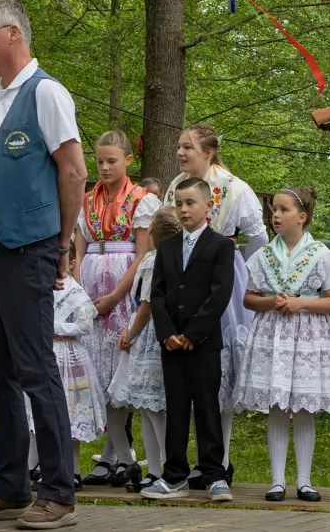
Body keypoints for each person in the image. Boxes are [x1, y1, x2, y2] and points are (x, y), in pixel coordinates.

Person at [0, 0, 87, 529]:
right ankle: (10, 486)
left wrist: (60, 242)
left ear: (12, 34)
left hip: (27, 247)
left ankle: (59, 493)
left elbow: (72, 172)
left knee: (35, 368)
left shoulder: (45, 92)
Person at [163, 124, 268, 486]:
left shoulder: (235, 188)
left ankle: (218, 461)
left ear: (208, 152)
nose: (180, 152)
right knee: (186, 372)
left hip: (221, 276)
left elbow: (259, 238)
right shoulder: (176, 185)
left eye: (187, 147)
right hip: (182, 276)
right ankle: (187, 461)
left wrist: (243, 272)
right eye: (178, 146)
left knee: (216, 369)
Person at [234, 187, 330, 503]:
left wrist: (300, 303)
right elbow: (249, 299)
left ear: (302, 217)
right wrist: (272, 301)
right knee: (276, 405)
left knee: (303, 407)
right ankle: (276, 480)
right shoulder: (262, 255)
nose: (276, 215)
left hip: (308, 335)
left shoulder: (322, 255)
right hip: (272, 334)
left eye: (283, 210)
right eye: (274, 210)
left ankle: (304, 481)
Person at [141, 178, 236, 503]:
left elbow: (219, 294)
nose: (183, 209)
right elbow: (157, 293)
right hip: (172, 343)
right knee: (176, 408)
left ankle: (214, 475)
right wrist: (167, 334)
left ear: (208, 206)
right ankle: (174, 475)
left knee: (207, 407)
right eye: (179, 203)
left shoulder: (221, 246)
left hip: (203, 342)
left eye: (190, 203)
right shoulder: (167, 247)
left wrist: (194, 333)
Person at [75, 130, 159, 488]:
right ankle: (115, 458)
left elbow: (142, 254)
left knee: (116, 373)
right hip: (90, 289)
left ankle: (119, 456)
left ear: (128, 160)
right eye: (100, 161)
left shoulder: (142, 201)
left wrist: (113, 297)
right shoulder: (87, 200)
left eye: (112, 161)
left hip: (122, 290)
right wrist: (79, 291)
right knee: (96, 371)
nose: (105, 167)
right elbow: (78, 250)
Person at [108, 207, 181, 492]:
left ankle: (167, 467)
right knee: (145, 408)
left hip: (150, 334)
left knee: (154, 408)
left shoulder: (155, 262)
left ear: (152, 232)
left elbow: (146, 305)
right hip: (145, 332)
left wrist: (131, 332)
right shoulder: (153, 259)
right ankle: (153, 469)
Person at [51, 269, 108, 489]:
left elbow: (85, 325)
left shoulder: (75, 291)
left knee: (71, 413)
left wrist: (53, 326)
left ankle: (72, 470)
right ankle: (48, 469)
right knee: (43, 413)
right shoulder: (39, 285)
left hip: (70, 356)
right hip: (46, 352)